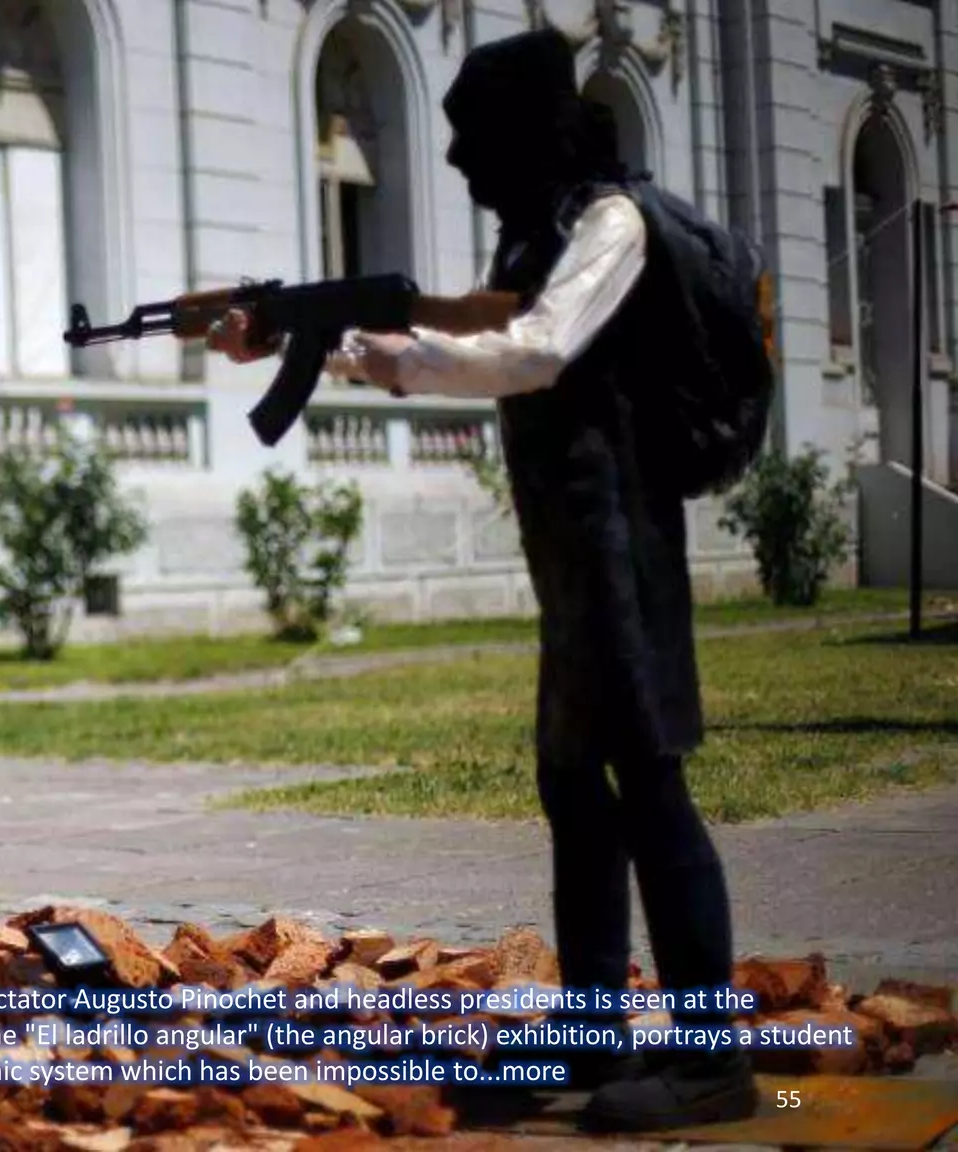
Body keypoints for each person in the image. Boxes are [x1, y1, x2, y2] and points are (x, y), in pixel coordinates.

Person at [210, 28, 756, 1133]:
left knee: (648, 784)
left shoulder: (613, 224)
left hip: (619, 543)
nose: (455, 165)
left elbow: (538, 350)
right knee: (569, 784)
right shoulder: (543, 233)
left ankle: (714, 1063)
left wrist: (371, 357)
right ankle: (593, 1035)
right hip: (567, 547)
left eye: (470, 141)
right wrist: (298, 325)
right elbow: (485, 316)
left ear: (528, 135)